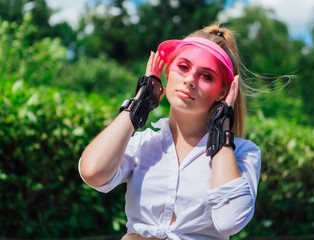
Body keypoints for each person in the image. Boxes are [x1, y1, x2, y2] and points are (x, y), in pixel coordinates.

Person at [79, 23, 261, 240]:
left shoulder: (242, 153)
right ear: (167, 72)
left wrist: (222, 132)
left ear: (223, 91)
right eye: (183, 67)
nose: (190, 80)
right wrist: (138, 104)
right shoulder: (143, 142)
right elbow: (93, 173)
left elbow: (230, 221)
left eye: (207, 76)